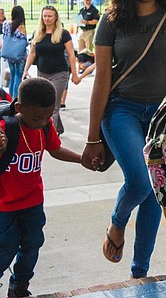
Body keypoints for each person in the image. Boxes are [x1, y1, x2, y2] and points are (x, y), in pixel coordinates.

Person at [80, 0, 166, 280]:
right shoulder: (112, 20)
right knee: (140, 181)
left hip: (160, 114)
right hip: (121, 110)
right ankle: (117, 223)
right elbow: (101, 80)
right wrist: (91, 138)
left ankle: (139, 271)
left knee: (154, 193)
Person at [0, 77, 82, 298]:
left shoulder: (44, 127)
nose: (43, 122)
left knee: (32, 245)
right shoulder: (6, 128)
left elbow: (55, 149)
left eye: (48, 117)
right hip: (4, 205)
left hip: (33, 201)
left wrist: (82, 159)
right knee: (5, 250)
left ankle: (19, 288)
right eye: (37, 118)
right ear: (19, 108)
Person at [23, 6, 79, 136]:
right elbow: (32, 53)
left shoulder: (63, 33)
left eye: (49, 16)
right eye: (44, 16)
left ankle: (47, 136)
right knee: (44, 103)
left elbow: (71, 54)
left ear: (55, 18)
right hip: (42, 73)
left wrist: (75, 74)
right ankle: (58, 128)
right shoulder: (37, 33)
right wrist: (26, 70)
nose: (47, 19)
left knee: (52, 104)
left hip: (59, 72)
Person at [2, 7, 28, 98]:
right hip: (19, 56)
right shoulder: (20, 27)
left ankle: (10, 96)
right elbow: (24, 41)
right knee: (18, 76)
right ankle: (15, 98)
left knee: (12, 76)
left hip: (9, 54)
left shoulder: (6, 25)